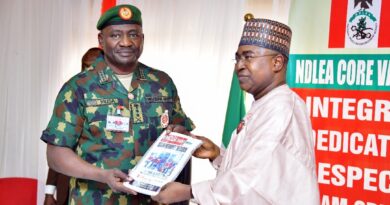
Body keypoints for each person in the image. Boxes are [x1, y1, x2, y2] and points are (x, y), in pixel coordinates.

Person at [151, 16, 320, 204]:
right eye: (238, 58)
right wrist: (217, 154)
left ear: (277, 63)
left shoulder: (281, 108)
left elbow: (252, 181)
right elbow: (259, 170)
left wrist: (189, 192)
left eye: (248, 57)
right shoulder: (265, 103)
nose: (239, 66)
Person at [41, 4, 194, 204]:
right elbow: (55, 154)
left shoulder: (162, 83)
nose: (126, 42)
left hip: (153, 200)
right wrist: (102, 175)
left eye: (133, 34)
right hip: (96, 199)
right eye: (115, 35)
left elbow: (181, 127)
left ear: (142, 39)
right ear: (101, 40)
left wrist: (180, 133)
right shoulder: (78, 87)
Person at [43, 47, 103, 205]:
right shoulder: (71, 94)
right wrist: (49, 192)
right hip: (67, 188)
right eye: (86, 66)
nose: (90, 71)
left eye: (94, 66)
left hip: (98, 191)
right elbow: (58, 146)